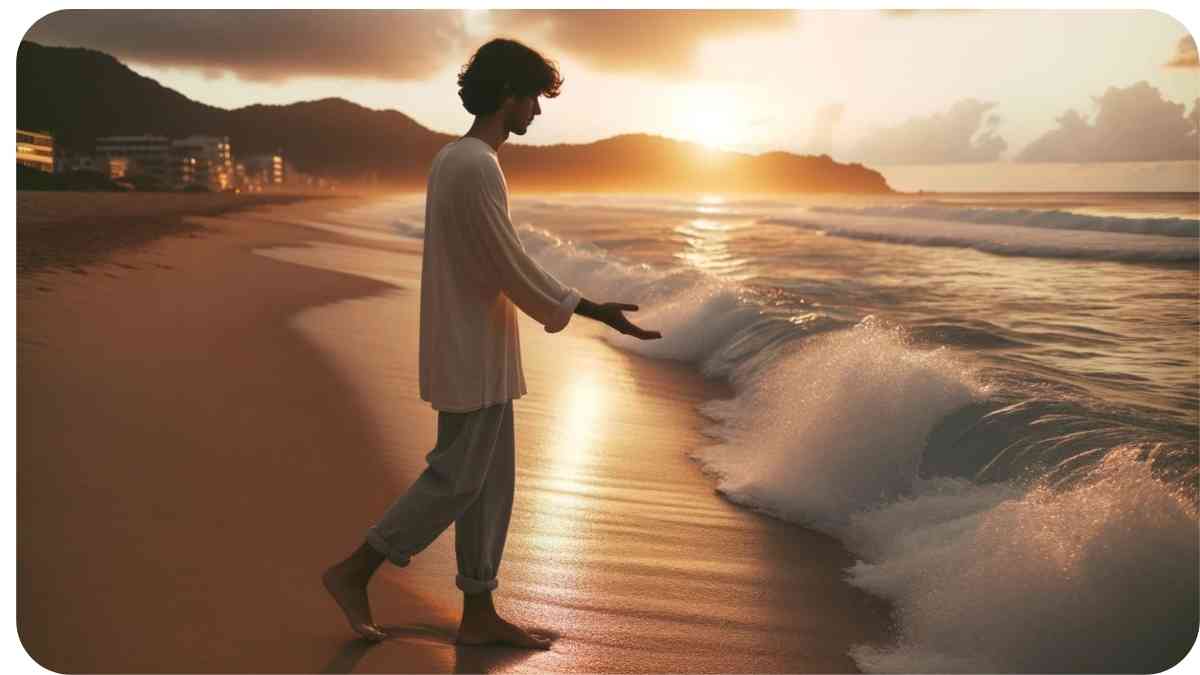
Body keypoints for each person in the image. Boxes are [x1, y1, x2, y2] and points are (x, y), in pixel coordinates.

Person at [322, 38, 662, 650]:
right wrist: (592, 309)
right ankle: (355, 571)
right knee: (455, 479)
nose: (537, 110)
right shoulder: (474, 163)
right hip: (468, 348)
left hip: (480, 345)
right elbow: (509, 263)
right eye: (532, 96)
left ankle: (478, 610)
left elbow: (495, 264)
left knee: (489, 482)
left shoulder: (459, 160)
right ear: (507, 94)